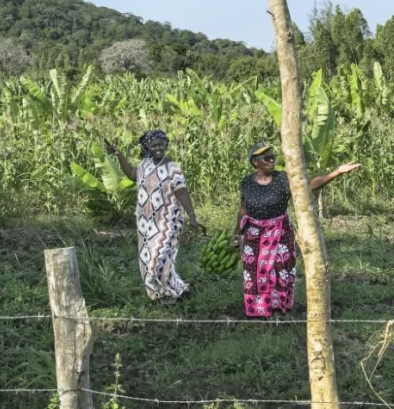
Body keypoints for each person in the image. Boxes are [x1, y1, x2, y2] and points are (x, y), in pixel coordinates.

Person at [234, 141, 360, 318]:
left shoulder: (282, 179)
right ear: (255, 162)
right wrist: (236, 233)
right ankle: (258, 310)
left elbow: (309, 185)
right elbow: (243, 208)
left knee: (281, 269)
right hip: (254, 235)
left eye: (273, 156)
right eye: (266, 157)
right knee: (254, 272)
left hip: (280, 233)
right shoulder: (247, 182)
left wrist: (337, 172)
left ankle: (279, 308)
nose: (272, 160)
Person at [106, 130, 203, 304]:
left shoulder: (172, 168)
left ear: (166, 145)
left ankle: (172, 291)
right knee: (147, 259)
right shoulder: (144, 165)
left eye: (160, 144)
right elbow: (131, 174)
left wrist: (192, 216)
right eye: (153, 145)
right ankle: (167, 294)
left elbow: (181, 191)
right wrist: (119, 154)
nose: (157, 148)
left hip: (168, 221)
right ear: (148, 147)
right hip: (145, 223)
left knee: (159, 259)